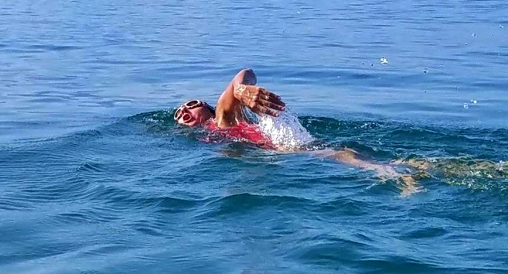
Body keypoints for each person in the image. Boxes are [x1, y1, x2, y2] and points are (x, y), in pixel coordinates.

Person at [175, 69, 418, 192]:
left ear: (207, 108)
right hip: (284, 155)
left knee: (331, 154)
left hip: (287, 152)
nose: (184, 112)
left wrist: (239, 90)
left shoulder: (222, 121)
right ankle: (415, 167)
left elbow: (244, 74)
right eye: (178, 115)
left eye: (191, 105)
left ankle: (391, 173)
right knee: (334, 152)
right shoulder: (205, 139)